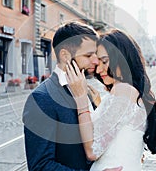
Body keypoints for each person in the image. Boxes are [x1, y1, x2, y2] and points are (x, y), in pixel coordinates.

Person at [22, 21, 122, 171]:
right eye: (88, 55)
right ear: (65, 55)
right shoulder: (42, 98)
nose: (95, 61)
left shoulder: (87, 89)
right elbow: (40, 166)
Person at [65, 29, 156, 171]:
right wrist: (100, 104)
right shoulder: (132, 91)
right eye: (97, 64)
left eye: (105, 61)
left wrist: (81, 99)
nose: (99, 69)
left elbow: (92, 151)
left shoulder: (123, 91)